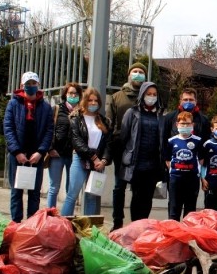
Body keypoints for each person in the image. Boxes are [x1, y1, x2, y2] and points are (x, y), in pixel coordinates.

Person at [3, 71, 53, 223]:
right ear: (21, 86)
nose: (31, 86)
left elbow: (49, 131)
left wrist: (40, 152)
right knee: (16, 191)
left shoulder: (46, 107)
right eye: (28, 84)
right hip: (17, 155)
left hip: (35, 157)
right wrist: (17, 151)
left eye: (33, 83)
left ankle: (32, 223)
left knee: (34, 193)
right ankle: (16, 222)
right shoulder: (13, 104)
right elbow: (8, 127)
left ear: (38, 85)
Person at [107, 62, 148, 230]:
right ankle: (117, 221)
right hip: (121, 148)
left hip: (141, 149)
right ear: (128, 75)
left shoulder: (147, 97)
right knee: (119, 186)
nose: (138, 74)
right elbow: (109, 124)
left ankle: (135, 224)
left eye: (141, 72)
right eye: (135, 71)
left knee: (138, 189)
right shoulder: (117, 97)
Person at [60, 88, 111, 217]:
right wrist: (94, 158)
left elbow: (108, 144)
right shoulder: (76, 118)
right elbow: (76, 141)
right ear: (85, 101)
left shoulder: (104, 121)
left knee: (91, 197)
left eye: (96, 101)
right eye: (90, 100)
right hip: (80, 158)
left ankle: (88, 229)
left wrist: (104, 160)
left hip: (98, 163)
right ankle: (64, 225)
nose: (93, 103)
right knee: (72, 194)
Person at [120, 81, 164, 222]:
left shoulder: (160, 115)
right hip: (137, 163)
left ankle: (144, 225)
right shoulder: (132, 113)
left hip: (153, 165)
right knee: (137, 196)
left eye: (154, 94)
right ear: (142, 95)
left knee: (148, 198)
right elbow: (124, 137)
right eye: (148, 94)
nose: (151, 97)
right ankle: (135, 225)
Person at [46, 83, 82, 209]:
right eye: (70, 93)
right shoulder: (57, 109)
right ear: (65, 94)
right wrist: (50, 148)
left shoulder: (81, 112)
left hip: (74, 156)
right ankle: (50, 216)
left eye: (76, 93)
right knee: (54, 187)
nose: (73, 95)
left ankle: (67, 218)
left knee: (71, 189)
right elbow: (49, 129)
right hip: (57, 154)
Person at [165, 111, 203, 220]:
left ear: (192, 125)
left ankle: (187, 235)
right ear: (177, 125)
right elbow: (167, 161)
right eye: (182, 124)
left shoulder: (198, 141)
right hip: (175, 180)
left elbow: (201, 160)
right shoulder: (171, 141)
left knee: (190, 211)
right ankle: (173, 234)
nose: (185, 126)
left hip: (192, 180)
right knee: (174, 209)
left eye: (187, 124)